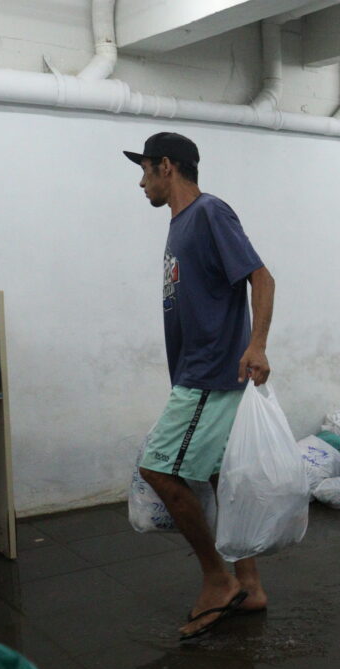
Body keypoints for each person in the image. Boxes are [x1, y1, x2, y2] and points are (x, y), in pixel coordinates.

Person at [124, 132, 276, 640]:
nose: (141, 181)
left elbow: (262, 278)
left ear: (167, 166)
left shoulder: (210, 213)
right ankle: (250, 584)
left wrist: (255, 345)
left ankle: (218, 578)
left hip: (210, 373)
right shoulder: (180, 224)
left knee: (158, 470)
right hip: (197, 371)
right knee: (217, 476)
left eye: (146, 170)